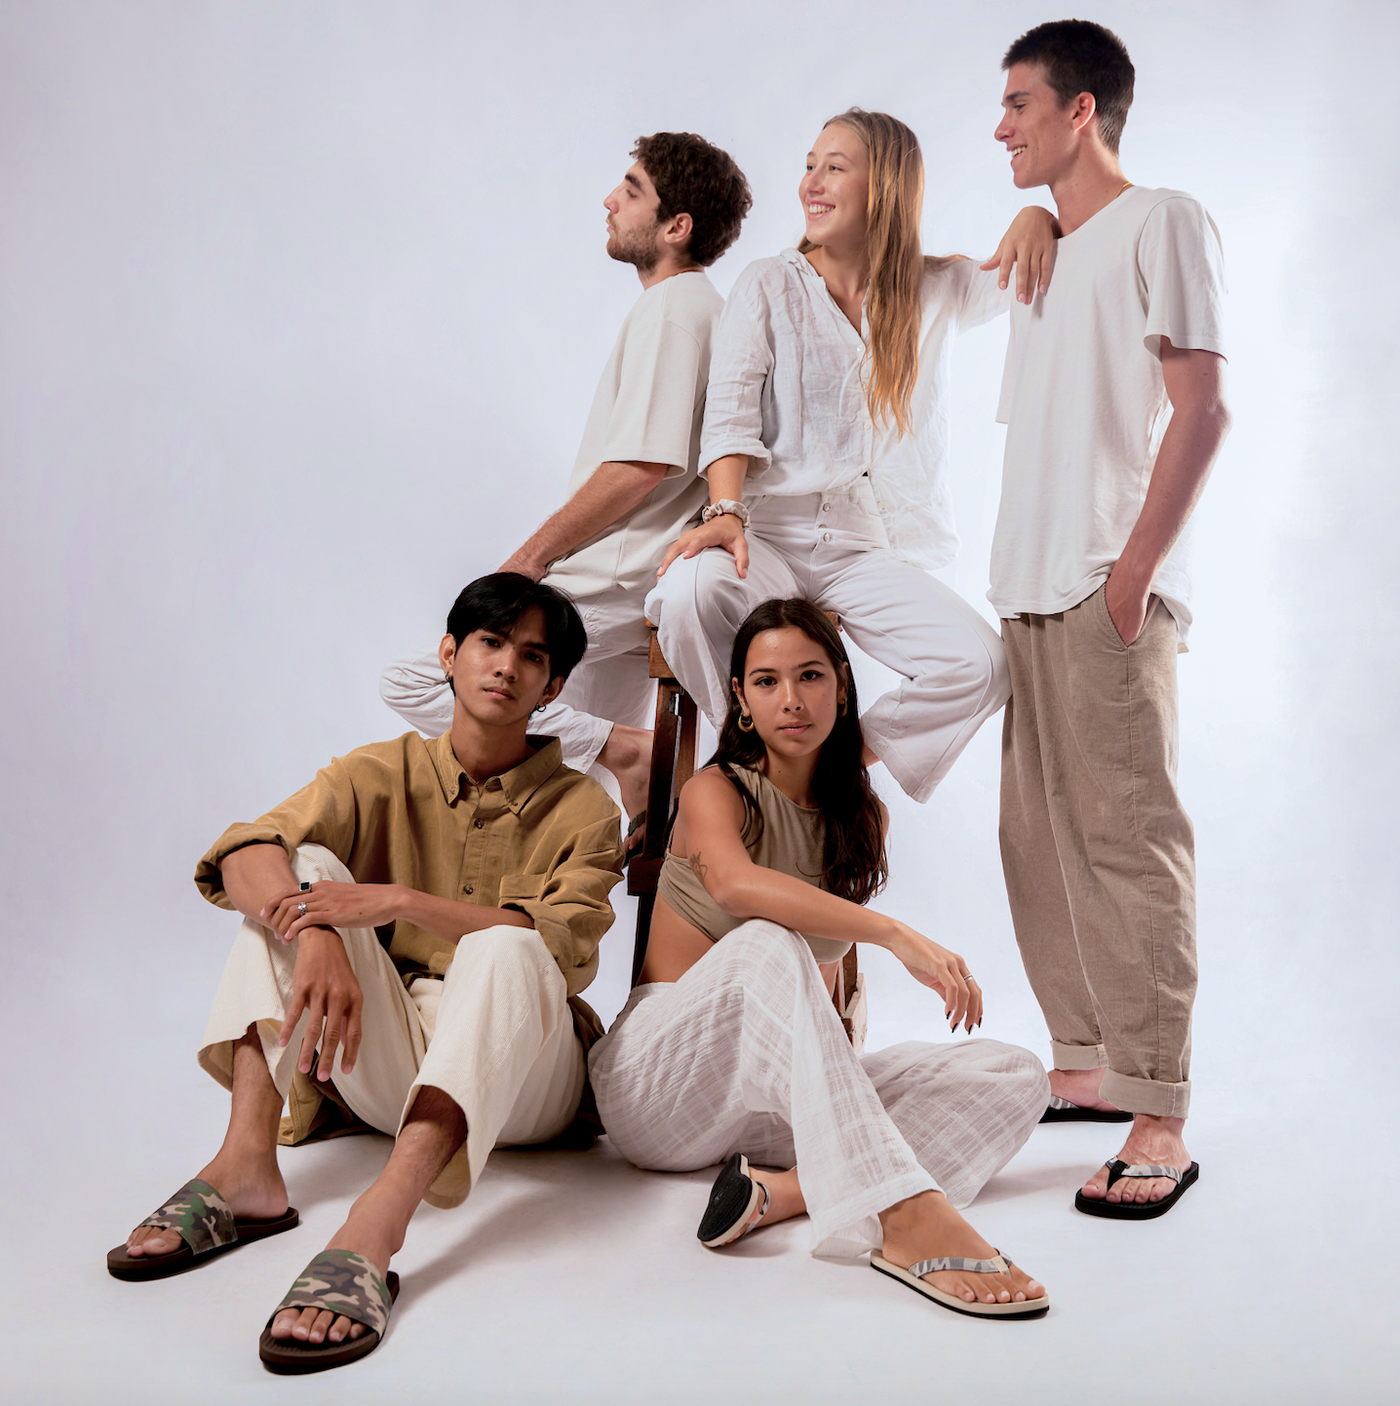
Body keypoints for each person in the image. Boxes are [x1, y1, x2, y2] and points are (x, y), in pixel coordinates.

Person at [106, 573, 624, 1372]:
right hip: (388, 1063)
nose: (506, 667)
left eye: (532, 656)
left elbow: (559, 948)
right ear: (449, 655)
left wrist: (399, 901)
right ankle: (246, 1168)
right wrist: (314, 931)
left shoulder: (586, 808)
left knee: (508, 944)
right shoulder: (376, 771)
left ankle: (377, 1221)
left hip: (528, 1083)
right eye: (490, 643)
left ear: (552, 687)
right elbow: (244, 851)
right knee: (300, 868)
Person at [588, 598, 1050, 1319]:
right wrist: (894, 934)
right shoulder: (715, 791)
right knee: (765, 940)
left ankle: (784, 1192)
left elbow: (818, 996)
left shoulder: (861, 817)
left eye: (809, 676)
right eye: (766, 681)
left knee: (1016, 1073)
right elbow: (736, 886)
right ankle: (904, 1216)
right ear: (741, 699)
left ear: (840, 685)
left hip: (765, 1116)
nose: (792, 700)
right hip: (659, 1087)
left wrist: (844, 1074)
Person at [990, 21, 1231, 1217]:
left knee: (1128, 841)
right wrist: (1033, 222)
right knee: (1035, 839)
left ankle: (1158, 1112)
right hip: (1025, 586)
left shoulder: (1162, 219)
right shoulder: (1044, 245)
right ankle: (1087, 1064)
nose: (1000, 128)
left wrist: (1132, 573)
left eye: (1018, 104)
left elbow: (1201, 407)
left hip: (1101, 585)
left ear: (1078, 109)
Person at [645, 108, 1057, 805]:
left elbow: (1025, 270)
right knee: (690, 594)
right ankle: (747, 759)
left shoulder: (932, 287)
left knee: (982, 664)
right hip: (769, 534)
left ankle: (826, 769)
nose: (810, 183)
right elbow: (730, 412)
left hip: (867, 548)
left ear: (885, 186)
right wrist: (725, 510)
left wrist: (1037, 216)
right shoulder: (769, 283)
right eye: (810, 165)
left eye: (834, 167)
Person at [380, 133, 752, 832]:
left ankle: (629, 751)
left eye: (632, 190)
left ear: (677, 227)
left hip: (613, 576)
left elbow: (639, 468)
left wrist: (528, 561)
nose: (610, 201)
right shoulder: (700, 308)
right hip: (640, 581)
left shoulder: (673, 310)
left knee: (415, 676)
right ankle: (628, 769)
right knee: (576, 801)